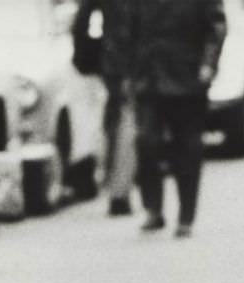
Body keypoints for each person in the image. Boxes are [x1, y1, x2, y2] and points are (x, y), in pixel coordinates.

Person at [132, 0, 226, 238]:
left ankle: (186, 216)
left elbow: (216, 27)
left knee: (187, 147)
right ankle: (153, 209)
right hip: (148, 75)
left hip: (188, 76)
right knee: (145, 140)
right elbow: (128, 25)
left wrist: (208, 63)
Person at [72, 0, 136, 216]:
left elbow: (81, 21)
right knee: (128, 119)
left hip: (111, 59)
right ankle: (120, 190)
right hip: (137, 58)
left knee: (114, 120)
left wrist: (87, 55)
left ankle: (112, 180)